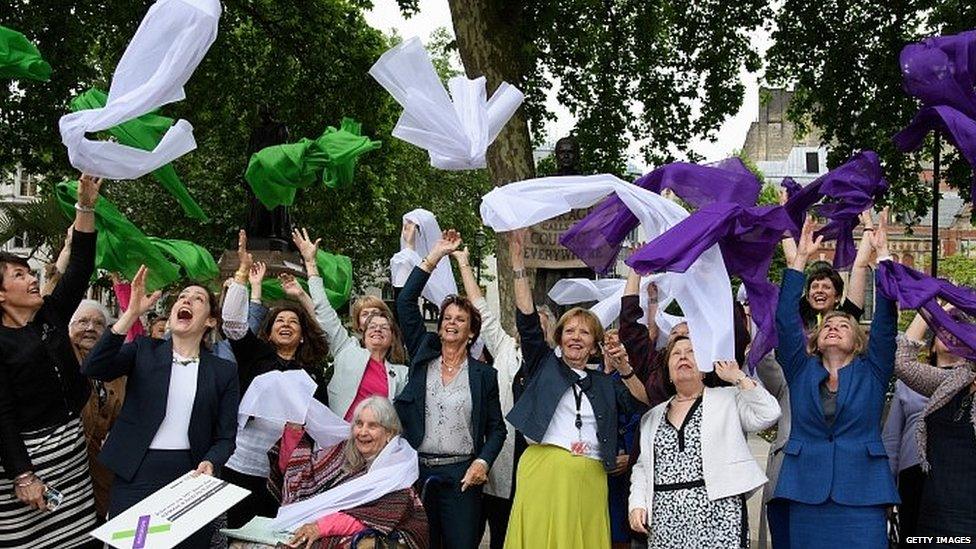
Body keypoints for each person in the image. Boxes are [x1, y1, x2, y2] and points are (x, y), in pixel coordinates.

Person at [503, 228, 648, 549]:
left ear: (595, 345)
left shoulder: (604, 383)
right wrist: (517, 263)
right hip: (544, 472)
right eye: (569, 330)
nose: (575, 336)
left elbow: (643, 404)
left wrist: (624, 368)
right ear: (559, 337)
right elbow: (527, 320)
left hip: (591, 478)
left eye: (584, 332)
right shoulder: (543, 365)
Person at [83, 266, 239, 547]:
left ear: (211, 321)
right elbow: (94, 367)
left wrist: (211, 462)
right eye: (182, 296)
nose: (186, 301)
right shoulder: (144, 350)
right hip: (136, 472)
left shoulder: (223, 371)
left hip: (191, 476)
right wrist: (130, 314)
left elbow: (226, 437)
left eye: (198, 299)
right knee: (134, 545)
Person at [773, 215, 898, 549]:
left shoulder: (872, 370)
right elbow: (785, 322)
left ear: (857, 340)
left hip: (863, 494)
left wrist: (882, 258)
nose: (833, 326)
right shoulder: (800, 369)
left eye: (843, 325)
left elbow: (886, 324)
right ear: (815, 338)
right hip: (805, 493)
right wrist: (800, 260)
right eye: (828, 325)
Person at [0, 173, 101, 549]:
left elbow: (80, 267)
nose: (31, 279)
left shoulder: (51, 315)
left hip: (72, 461)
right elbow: (3, 415)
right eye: (19, 275)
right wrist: (24, 476)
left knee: (79, 541)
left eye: (28, 272)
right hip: (28, 465)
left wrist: (85, 206)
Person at [394, 228, 507, 549]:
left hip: (462, 476)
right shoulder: (422, 354)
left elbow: (497, 429)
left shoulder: (484, 375)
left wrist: (482, 462)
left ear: (471, 332)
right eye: (447, 317)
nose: (451, 322)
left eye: (460, 319)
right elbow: (405, 302)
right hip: (418, 471)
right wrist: (436, 255)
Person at [220, 230, 330, 528]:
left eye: (293, 322)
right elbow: (231, 322)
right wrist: (242, 273)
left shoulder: (312, 376)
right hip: (239, 465)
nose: (285, 325)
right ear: (268, 332)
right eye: (279, 321)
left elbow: (319, 431)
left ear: (303, 335)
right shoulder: (254, 356)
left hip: (284, 474)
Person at [628, 336, 780, 548]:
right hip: (665, 519)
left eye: (691, 352)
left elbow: (769, 414)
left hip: (720, 513)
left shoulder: (728, 398)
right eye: (676, 353)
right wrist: (636, 504)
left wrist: (737, 376)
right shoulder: (652, 417)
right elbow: (643, 467)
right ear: (669, 372)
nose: (683, 356)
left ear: (704, 369)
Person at [451, 245, 554, 549]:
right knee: (498, 530)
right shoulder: (504, 346)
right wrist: (463, 263)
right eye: (527, 321)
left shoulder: (552, 363)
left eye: (538, 323)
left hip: (536, 454)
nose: (530, 327)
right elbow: (479, 305)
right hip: (501, 452)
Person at [271, 397, 429, 549]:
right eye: (359, 424)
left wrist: (320, 527)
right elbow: (304, 475)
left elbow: (375, 515)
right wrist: (294, 429)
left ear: (389, 433)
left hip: (379, 534)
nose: (363, 432)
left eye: (372, 426)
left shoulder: (397, 469)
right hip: (322, 524)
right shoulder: (343, 452)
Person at [291, 228, 409, 420]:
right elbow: (324, 312)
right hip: (341, 440)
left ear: (392, 336)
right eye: (371, 325)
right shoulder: (346, 349)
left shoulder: (402, 374)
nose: (377, 329)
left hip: (378, 444)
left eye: (384, 327)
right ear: (362, 330)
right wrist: (311, 263)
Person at [893, 309, 976, 543]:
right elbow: (903, 363)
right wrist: (927, 308)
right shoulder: (955, 380)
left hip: (970, 514)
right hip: (935, 510)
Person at [71, 300, 125, 520]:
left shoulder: (118, 368)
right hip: (64, 462)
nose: (90, 328)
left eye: (98, 323)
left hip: (100, 469)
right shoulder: (59, 357)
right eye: (82, 322)